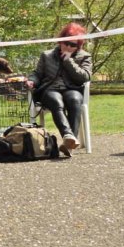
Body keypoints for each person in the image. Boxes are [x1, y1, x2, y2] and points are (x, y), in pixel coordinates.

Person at [26, 22, 92, 157]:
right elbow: (37, 74)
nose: (68, 47)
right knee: (56, 101)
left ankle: (68, 144)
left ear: (78, 46)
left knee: (74, 99)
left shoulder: (85, 56)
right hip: (50, 89)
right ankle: (69, 136)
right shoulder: (47, 55)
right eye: (66, 43)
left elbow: (84, 77)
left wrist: (69, 62)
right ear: (60, 41)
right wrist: (32, 81)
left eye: (72, 45)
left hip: (72, 88)